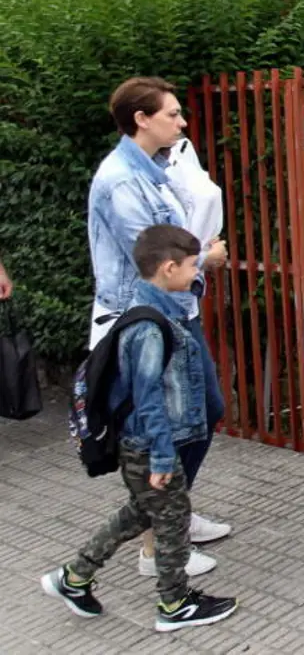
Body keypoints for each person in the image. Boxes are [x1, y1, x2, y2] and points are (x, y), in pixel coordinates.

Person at [42, 224, 238, 633]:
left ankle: (73, 578)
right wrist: (164, 455)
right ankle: (174, 603)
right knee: (172, 516)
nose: (195, 272)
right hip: (151, 444)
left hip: (143, 443)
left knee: (139, 513)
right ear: (168, 268)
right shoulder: (149, 328)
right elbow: (148, 396)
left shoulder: (151, 305)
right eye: (189, 266)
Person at [87, 77, 231, 579]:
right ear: (142, 119)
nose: (183, 122)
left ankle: (175, 513)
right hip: (145, 317)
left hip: (175, 313)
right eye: (172, 114)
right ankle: (158, 542)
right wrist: (205, 258)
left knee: (204, 411)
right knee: (165, 426)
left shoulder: (155, 167)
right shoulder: (123, 180)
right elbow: (154, 258)